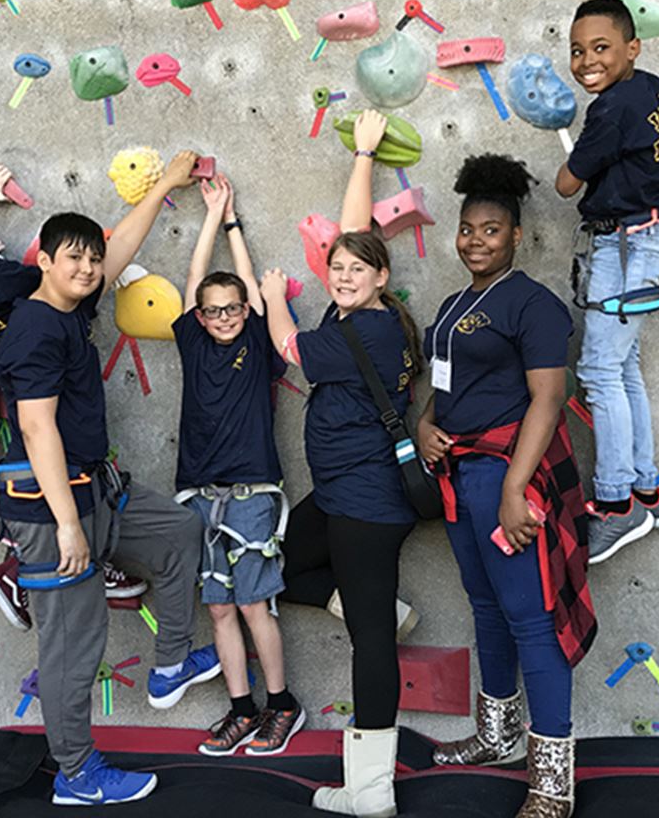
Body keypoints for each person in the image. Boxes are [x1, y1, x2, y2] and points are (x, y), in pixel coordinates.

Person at [0, 151, 224, 807]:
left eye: (91, 261)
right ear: (44, 261)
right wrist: (68, 525)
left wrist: (167, 188)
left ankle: (171, 660)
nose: (91, 269)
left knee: (181, 530)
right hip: (52, 504)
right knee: (72, 642)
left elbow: (115, 249)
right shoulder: (36, 327)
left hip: (100, 488)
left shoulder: (69, 309)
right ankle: (75, 772)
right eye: (75, 259)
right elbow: (36, 428)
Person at [0, 164, 155, 631]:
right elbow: (60, 279)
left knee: (54, 474)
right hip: (35, 382)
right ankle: (20, 573)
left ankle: (48, 559)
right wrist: (97, 268)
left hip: (19, 380)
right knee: (54, 481)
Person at [418, 155, 596, 818]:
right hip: (458, 472)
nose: (475, 241)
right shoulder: (452, 305)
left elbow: (548, 400)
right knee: (486, 609)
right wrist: (425, 425)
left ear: (515, 236)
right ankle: (497, 738)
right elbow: (443, 385)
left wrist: (516, 490)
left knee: (531, 619)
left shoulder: (533, 304)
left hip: (505, 474)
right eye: (467, 229)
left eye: (490, 230)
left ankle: (553, 779)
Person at [263, 109, 423, 816]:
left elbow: (289, 348)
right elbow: (351, 237)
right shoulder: (353, 315)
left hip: (366, 506)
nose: (344, 276)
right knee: (269, 565)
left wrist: (272, 301)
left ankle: (371, 790)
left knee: (370, 648)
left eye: (359, 271)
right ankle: (369, 606)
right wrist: (362, 155)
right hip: (334, 497)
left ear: (384, 278)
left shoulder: (372, 331)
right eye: (337, 270)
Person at [554, 0, 659, 563]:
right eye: (577, 51)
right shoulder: (650, 88)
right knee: (621, 369)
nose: (586, 61)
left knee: (599, 370)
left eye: (600, 48)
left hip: (623, 247)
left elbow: (566, 183)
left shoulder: (609, 110)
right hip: (650, 240)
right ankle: (648, 490)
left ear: (632, 48)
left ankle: (616, 504)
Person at [172, 172, 303, 757]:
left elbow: (245, 282)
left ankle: (282, 705)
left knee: (253, 603)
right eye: (213, 311)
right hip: (200, 491)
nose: (223, 317)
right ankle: (241, 709)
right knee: (219, 606)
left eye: (232, 310)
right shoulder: (195, 340)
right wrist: (208, 218)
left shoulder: (255, 346)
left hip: (252, 493)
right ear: (199, 317)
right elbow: (194, 280)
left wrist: (231, 221)